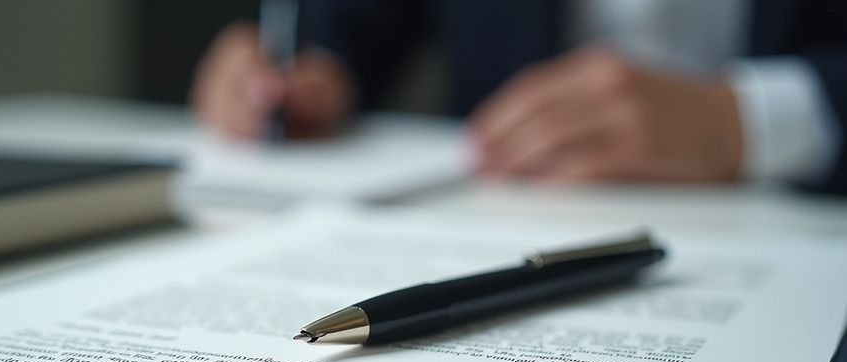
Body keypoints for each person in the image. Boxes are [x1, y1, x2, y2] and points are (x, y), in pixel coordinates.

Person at [192, 0, 847, 193]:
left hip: (800, 218)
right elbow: (351, 28)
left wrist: (747, 119)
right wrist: (300, 78)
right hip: (495, 206)